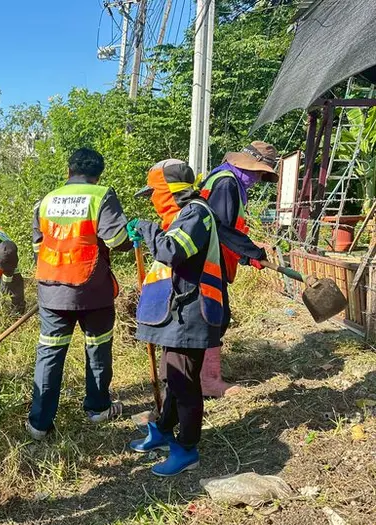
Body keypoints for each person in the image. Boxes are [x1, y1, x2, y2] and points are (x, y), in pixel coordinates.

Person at [126, 159, 225, 476]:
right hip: (179, 312)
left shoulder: (196, 214)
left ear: (169, 191)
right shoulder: (184, 216)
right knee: (174, 376)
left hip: (193, 311)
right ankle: (163, 429)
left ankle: (187, 449)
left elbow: (170, 251)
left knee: (184, 383)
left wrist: (148, 229)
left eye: (154, 194)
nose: (152, 202)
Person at [28, 148, 132, 440]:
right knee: (97, 348)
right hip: (92, 290)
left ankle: (39, 425)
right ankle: (98, 408)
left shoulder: (46, 200)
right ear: (98, 174)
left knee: (50, 353)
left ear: (68, 171)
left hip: (51, 289)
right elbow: (118, 239)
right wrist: (130, 238)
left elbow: (38, 246)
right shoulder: (101, 196)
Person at [198, 141, 276, 396]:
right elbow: (221, 228)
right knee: (214, 317)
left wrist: (245, 256)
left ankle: (203, 377)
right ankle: (208, 381)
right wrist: (252, 252)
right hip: (207, 260)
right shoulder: (226, 183)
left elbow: (229, 229)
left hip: (212, 257)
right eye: (258, 173)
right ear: (247, 165)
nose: (258, 179)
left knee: (216, 316)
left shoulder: (227, 179)